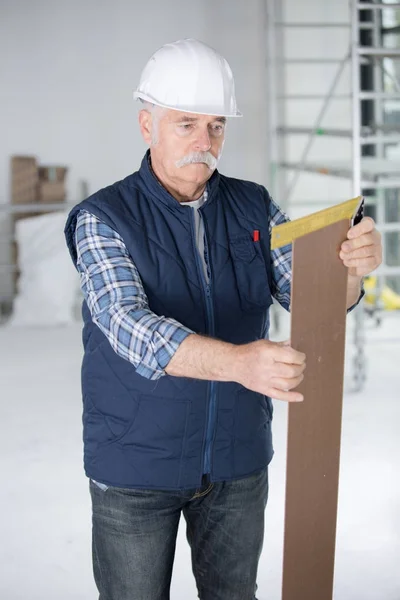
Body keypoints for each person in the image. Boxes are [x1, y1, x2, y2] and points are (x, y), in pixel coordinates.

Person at [64, 38, 382, 600]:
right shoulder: (101, 218)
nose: (203, 142)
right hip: (137, 463)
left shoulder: (253, 205)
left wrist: (352, 271)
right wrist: (239, 362)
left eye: (215, 125)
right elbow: (128, 326)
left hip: (237, 460)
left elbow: (312, 296)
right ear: (147, 125)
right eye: (185, 124)